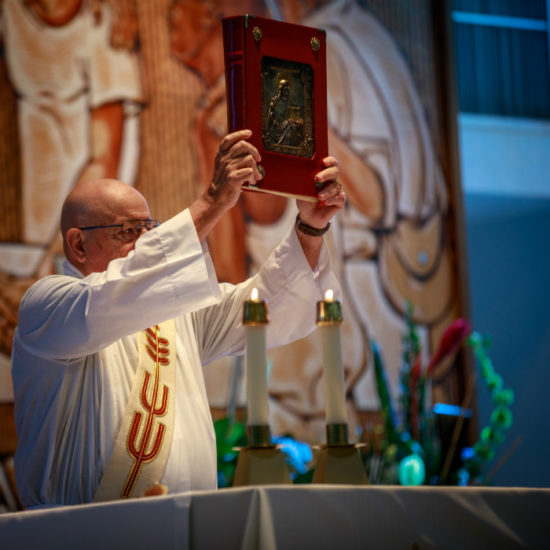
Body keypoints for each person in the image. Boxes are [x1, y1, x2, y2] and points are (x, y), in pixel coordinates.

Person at [10, 129, 345, 507]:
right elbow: (111, 299)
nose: (143, 242)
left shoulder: (174, 315)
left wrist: (311, 228)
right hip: (84, 536)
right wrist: (214, 201)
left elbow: (262, 309)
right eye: (127, 231)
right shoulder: (47, 307)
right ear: (77, 244)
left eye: (148, 229)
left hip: (188, 529)